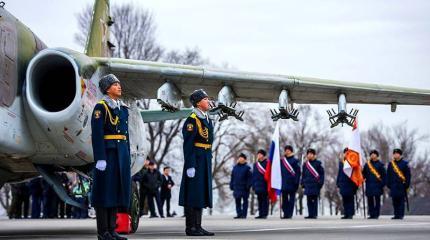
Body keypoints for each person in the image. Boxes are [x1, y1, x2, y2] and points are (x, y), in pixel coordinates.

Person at [91, 74, 130, 240]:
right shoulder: (101, 108)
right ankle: (103, 232)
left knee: (115, 191)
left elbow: (126, 135)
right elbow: (97, 134)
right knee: (104, 192)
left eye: (119, 84)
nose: (119, 87)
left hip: (121, 153)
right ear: (107, 89)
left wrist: (127, 154)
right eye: (115, 85)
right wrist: (100, 157)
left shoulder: (123, 109)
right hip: (108, 153)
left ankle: (112, 230)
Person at [179, 89, 215, 236]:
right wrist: (190, 165)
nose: (209, 101)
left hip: (205, 159)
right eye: (206, 99)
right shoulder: (192, 120)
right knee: (192, 194)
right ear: (198, 103)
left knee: (200, 194)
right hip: (196, 160)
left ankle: (198, 226)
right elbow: (188, 145)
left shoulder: (206, 118)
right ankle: (191, 227)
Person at [387, 148, 411, 220]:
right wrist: (388, 184)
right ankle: (396, 214)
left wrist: (406, 184)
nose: (395, 155)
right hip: (393, 185)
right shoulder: (391, 164)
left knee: (401, 201)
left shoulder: (405, 164)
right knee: (395, 201)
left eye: (397, 153)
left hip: (401, 185)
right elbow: (388, 174)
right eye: (394, 153)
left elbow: (408, 175)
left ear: (400, 155)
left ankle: (400, 215)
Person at [301, 148, 324, 219]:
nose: (309, 155)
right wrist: (302, 183)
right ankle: (310, 214)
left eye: (311, 154)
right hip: (307, 184)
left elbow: (322, 174)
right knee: (309, 200)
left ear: (314, 155)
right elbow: (303, 174)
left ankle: (314, 214)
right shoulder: (305, 165)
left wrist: (320, 183)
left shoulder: (318, 164)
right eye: (308, 154)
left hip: (315, 185)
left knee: (314, 200)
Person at [362, 150, 386, 219]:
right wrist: (361, 172)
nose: (372, 155)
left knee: (377, 201)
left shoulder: (380, 165)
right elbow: (364, 174)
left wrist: (382, 184)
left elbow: (384, 176)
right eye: (371, 154)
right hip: (369, 185)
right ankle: (372, 214)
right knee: (370, 201)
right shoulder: (367, 165)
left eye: (374, 154)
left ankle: (376, 214)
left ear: (377, 155)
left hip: (377, 185)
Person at [337, 148, 358, 219]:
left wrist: (355, 184)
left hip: (350, 184)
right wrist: (338, 182)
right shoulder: (341, 163)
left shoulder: (353, 163)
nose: (346, 154)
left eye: (348, 153)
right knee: (345, 200)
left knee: (350, 200)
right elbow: (339, 173)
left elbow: (356, 174)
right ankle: (346, 213)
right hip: (343, 183)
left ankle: (350, 214)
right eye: (345, 153)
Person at [281, 145, 301, 219]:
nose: (287, 151)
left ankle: (289, 214)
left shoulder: (295, 161)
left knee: (291, 199)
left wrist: (296, 182)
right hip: (284, 183)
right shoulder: (282, 161)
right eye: (286, 150)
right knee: (285, 200)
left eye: (288, 150)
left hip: (292, 183)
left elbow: (298, 173)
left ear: (291, 151)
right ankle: (285, 213)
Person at [230, 153, 253, 219]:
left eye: (242, 157)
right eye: (239, 157)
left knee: (245, 201)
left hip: (244, 188)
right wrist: (231, 185)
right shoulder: (235, 168)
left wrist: (248, 186)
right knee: (237, 201)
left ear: (245, 159)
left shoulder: (247, 168)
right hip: (236, 187)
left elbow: (250, 178)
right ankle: (239, 214)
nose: (240, 159)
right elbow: (232, 177)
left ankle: (244, 214)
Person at [252, 149, 269, 219]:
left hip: (264, 185)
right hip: (257, 185)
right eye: (258, 154)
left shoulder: (267, 163)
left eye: (260, 154)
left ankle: (264, 213)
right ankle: (260, 213)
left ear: (263, 155)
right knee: (259, 200)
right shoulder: (255, 165)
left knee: (264, 200)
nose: (259, 155)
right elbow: (254, 175)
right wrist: (253, 185)